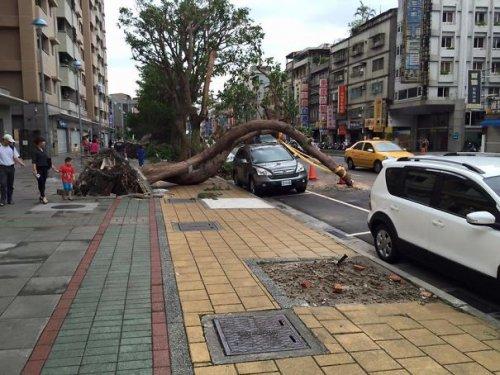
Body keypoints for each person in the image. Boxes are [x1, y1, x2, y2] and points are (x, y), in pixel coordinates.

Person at [0, 134, 25, 206]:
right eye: (9, 141)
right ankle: (3, 200)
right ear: (4, 140)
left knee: (10, 184)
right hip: (2, 168)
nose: (10, 142)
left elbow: (16, 157)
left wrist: (21, 163)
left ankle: (9, 199)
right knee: (3, 184)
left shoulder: (12, 147)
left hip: (11, 168)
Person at [32, 137, 56, 204]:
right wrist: (34, 170)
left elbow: (48, 160)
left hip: (45, 169)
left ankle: (41, 196)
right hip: (38, 170)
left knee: (43, 182)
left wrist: (53, 167)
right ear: (39, 142)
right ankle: (43, 196)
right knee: (41, 181)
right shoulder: (35, 151)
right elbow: (34, 161)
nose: (44, 143)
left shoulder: (43, 150)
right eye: (43, 141)